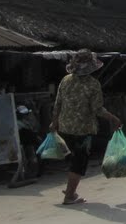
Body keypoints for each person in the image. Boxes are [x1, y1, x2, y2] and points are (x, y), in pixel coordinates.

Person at [50, 49, 122, 205]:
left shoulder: (66, 80)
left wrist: (54, 122)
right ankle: (69, 196)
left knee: (74, 160)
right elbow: (97, 109)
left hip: (65, 127)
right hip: (83, 130)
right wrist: (114, 118)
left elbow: (58, 104)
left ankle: (70, 190)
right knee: (79, 162)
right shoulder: (93, 84)